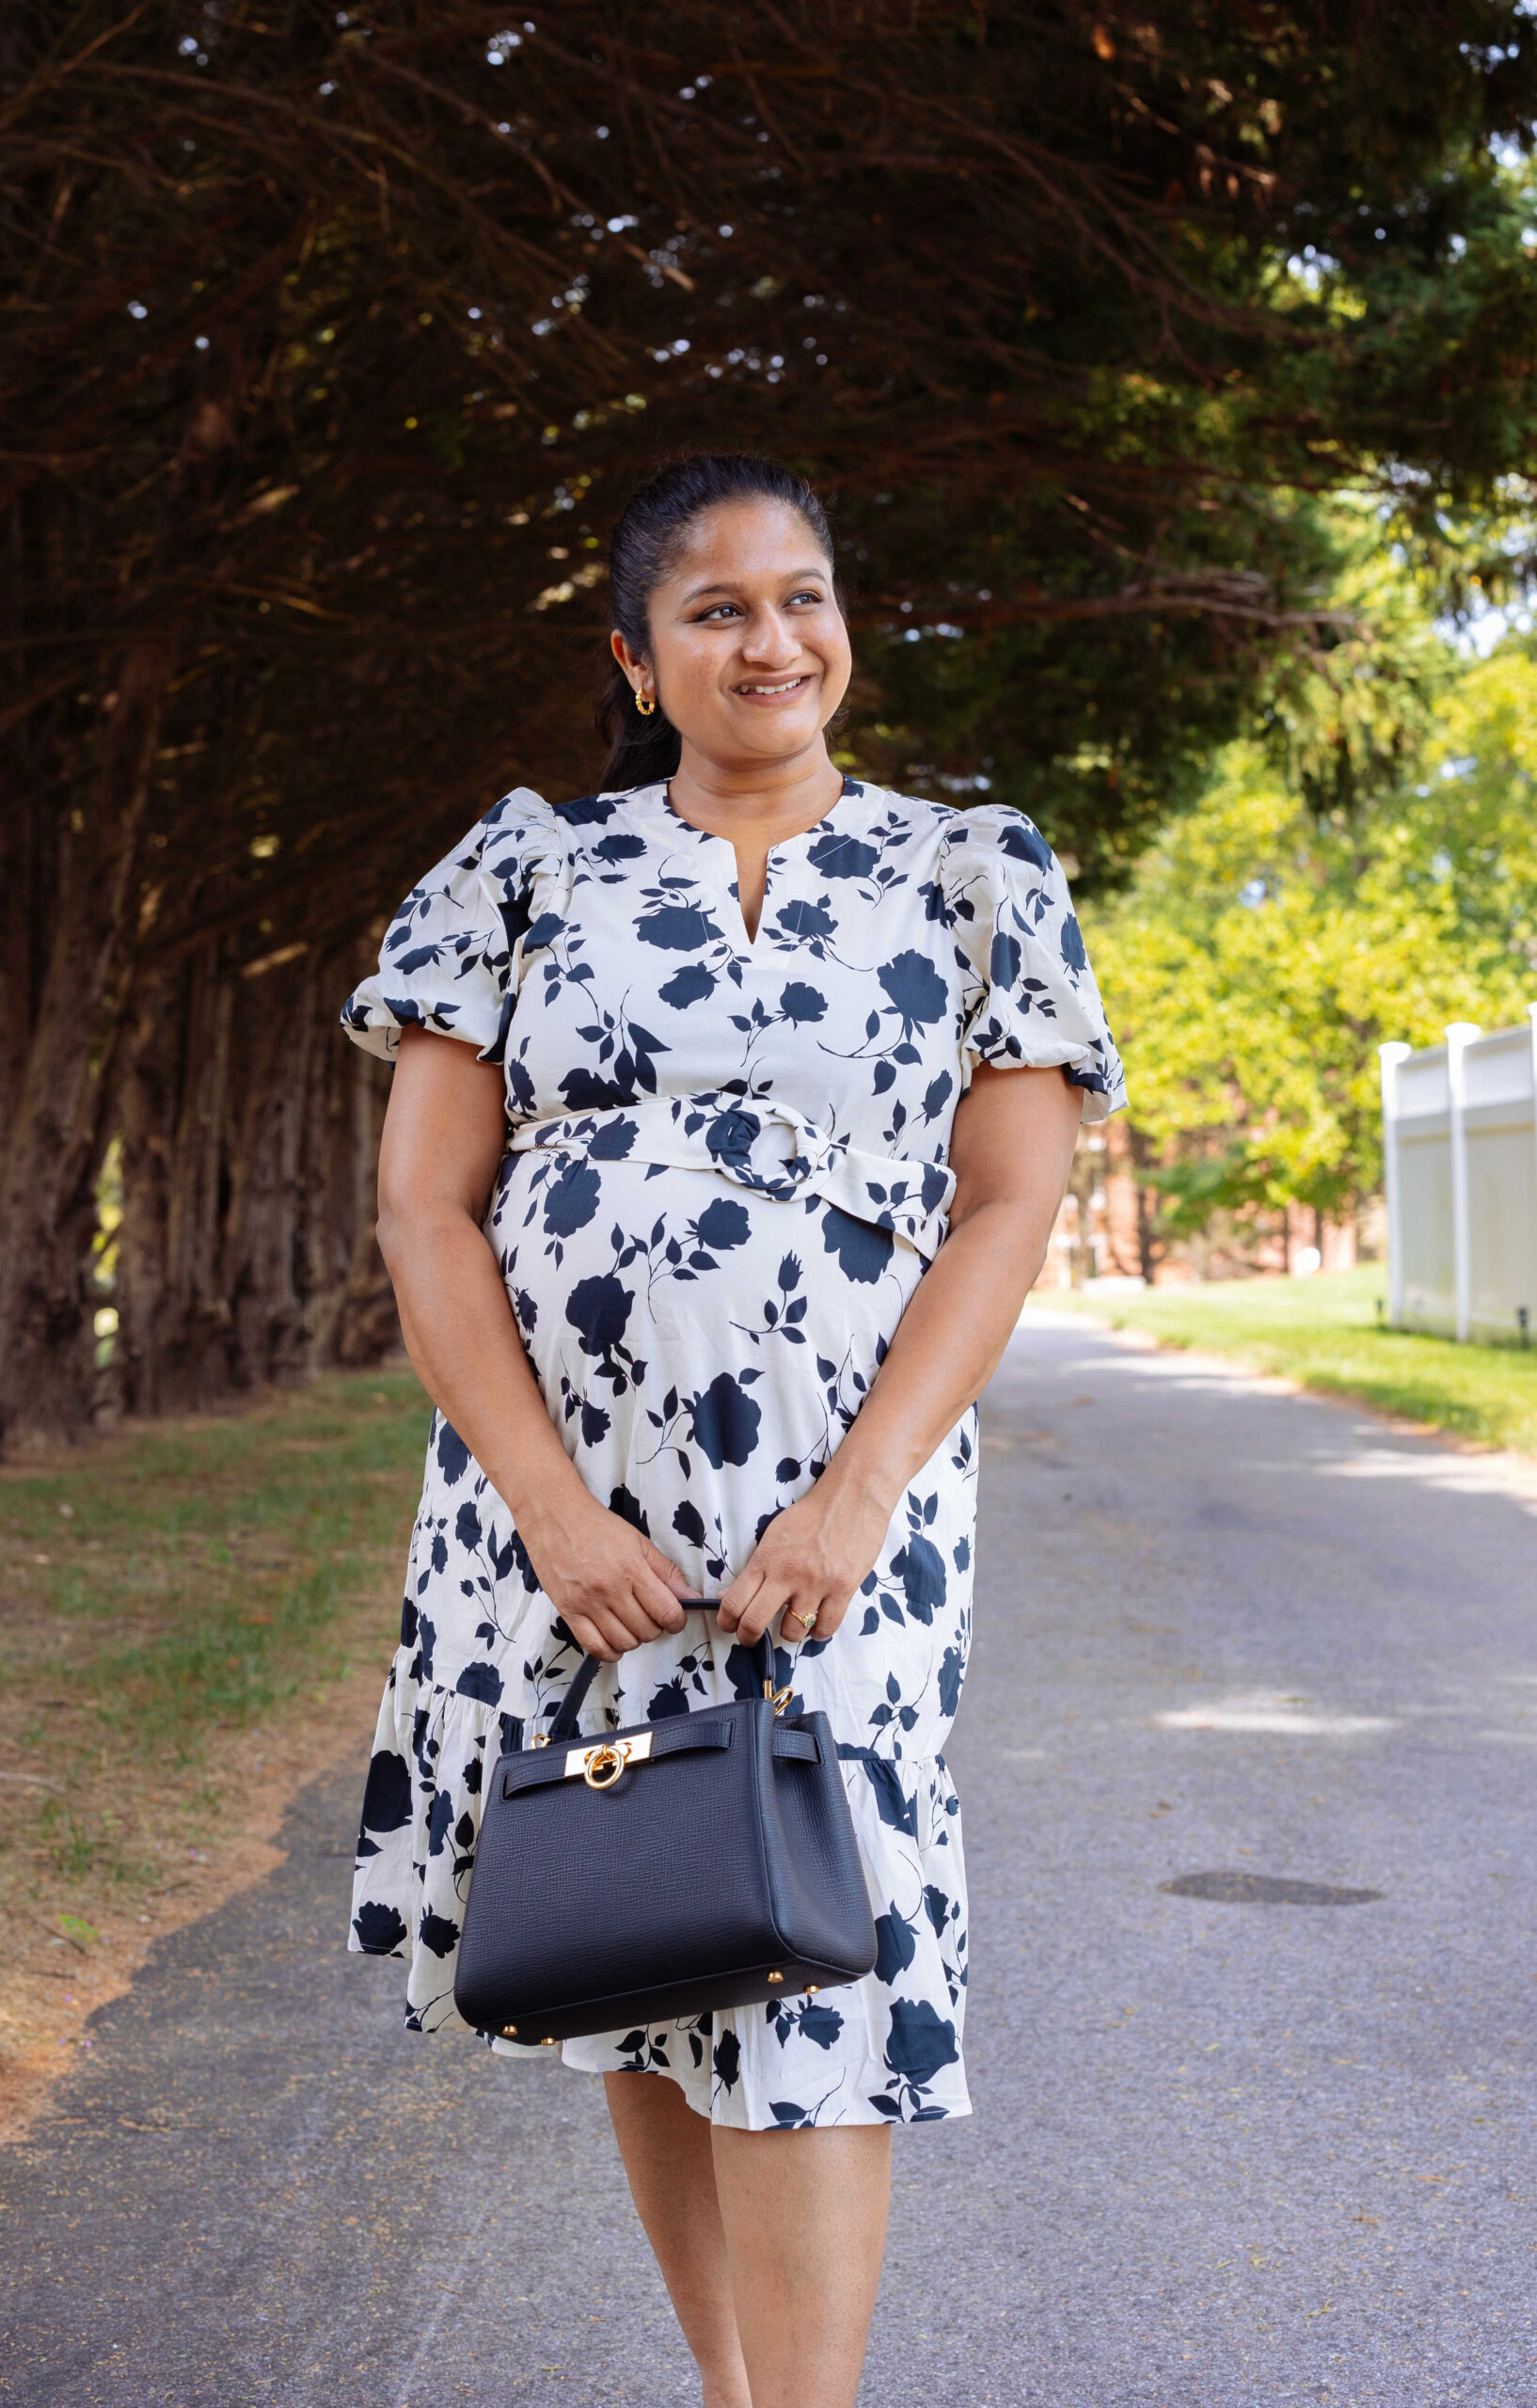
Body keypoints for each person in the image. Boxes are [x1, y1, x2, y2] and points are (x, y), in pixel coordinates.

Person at [340, 452, 1125, 2408]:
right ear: (635, 652)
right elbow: (424, 1207)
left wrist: (860, 1495)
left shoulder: (974, 869)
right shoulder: (520, 869)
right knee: (645, 1949)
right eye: (716, 607)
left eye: (803, 595)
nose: (773, 636)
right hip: (561, 1528)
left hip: (839, 1525)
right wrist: (551, 1514)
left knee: (813, 1970)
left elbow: (1006, 1199)